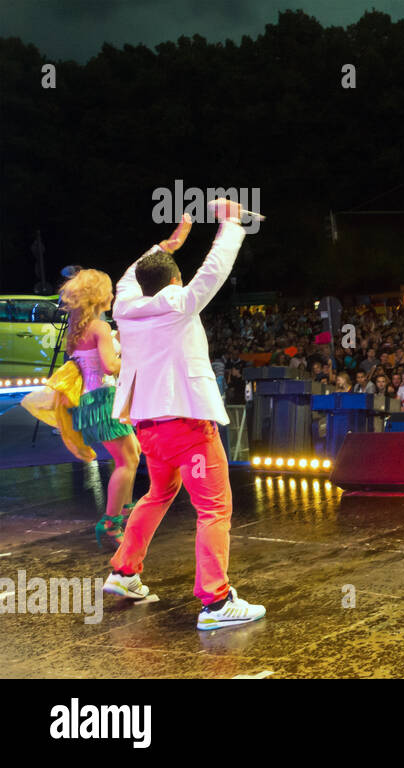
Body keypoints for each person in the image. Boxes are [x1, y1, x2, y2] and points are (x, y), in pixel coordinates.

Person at [105, 202, 265, 630]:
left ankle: (124, 572)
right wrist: (230, 223)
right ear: (174, 280)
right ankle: (215, 602)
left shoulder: (124, 306)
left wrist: (168, 244)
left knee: (158, 494)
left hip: (147, 427)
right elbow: (213, 272)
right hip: (185, 426)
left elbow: (131, 274)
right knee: (214, 508)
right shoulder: (179, 303)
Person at [59, 269, 142, 547]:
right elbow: (109, 366)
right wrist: (130, 354)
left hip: (91, 401)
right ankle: (111, 523)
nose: (112, 295)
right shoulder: (99, 328)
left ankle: (126, 513)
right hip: (104, 400)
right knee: (126, 461)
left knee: (133, 454)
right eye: (108, 290)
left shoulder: (77, 329)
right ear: (97, 296)